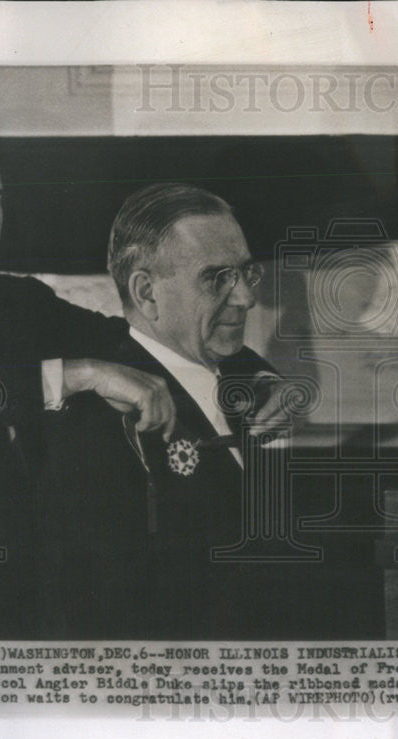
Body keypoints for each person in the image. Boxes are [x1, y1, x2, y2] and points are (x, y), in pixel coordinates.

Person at [0, 111, 177, 641]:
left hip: (49, 616)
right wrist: (74, 375)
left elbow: (145, 347)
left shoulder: (23, 302)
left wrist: (251, 379)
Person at [35, 183, 315, 639]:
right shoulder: (97, 426)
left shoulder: (253, 389)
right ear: (146, 293)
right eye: (216, 278)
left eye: (246, 273)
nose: (246, 298)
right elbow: (101, 619)